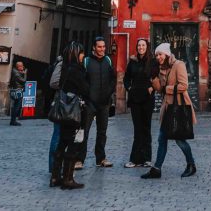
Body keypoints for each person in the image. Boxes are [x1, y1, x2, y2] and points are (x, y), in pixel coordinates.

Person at [141, 42, 197, 179]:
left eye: (160, 54)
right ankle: (156, 169)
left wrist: (167, 89)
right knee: (162, 138)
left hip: (178, 107)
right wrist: (153, 77)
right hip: (167, 109)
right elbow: (159, 89)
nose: (158, 57)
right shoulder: (160, 68)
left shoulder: (179, 65)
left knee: (179, 140)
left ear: (166, 54)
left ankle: (191, 165)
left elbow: (184, 86)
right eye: (156, 55)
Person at [52, 41, 91, 190]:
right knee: (74, 144)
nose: (83, 56)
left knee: (62, 142)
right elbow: (85, 89)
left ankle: (55, 177)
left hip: (63, 112)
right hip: (75, 112)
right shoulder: (77, 70)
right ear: (76, 54)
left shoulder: (64, 68)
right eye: (81, 53)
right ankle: (68, 178)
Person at [80, 36, 117, 169]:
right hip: (89, 103)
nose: (102, 49)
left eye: (104, 47)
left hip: (104, 102)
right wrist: (88, 94)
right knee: (84, 131)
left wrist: (109, 92)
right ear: (94, 48)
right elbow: (82, 80)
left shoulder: (108, 60)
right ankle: (79, 159)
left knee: (102, 132)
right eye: (100, 47)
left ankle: (100, 158)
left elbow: (113, 78)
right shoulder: (86, 61)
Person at [123, 38, 157, 168]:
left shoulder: (152, 61)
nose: (141, 47)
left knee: (146, 128)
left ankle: (147, 158)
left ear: (147, 47)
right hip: (135, 99)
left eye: (143, 45)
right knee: (137, 129)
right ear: (137, 47)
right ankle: (135, 159)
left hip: (147, 99)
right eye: (139, 45)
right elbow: (126, 78)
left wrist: (152, 88)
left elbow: (157, 77)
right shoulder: (133, 61)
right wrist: (129, 88)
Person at [46, 55, 63, 177]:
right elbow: (53, 83)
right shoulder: (62, 64)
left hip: (71, 104)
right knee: (57, 134)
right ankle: (53, 166)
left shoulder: (78, 65)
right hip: (61, 103)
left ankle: (61, 166)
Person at [9, 60, 27, 126]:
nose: (23, 67)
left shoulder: (15, 71)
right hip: (18, 90)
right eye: (22, 66)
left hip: (16, 89)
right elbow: (23, 81)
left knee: (15, 106)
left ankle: (13, 120)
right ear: (19, 66)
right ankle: (13, 121)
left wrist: (22, 72)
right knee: (16, 106)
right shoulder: (16, 74)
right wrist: (25, 74)